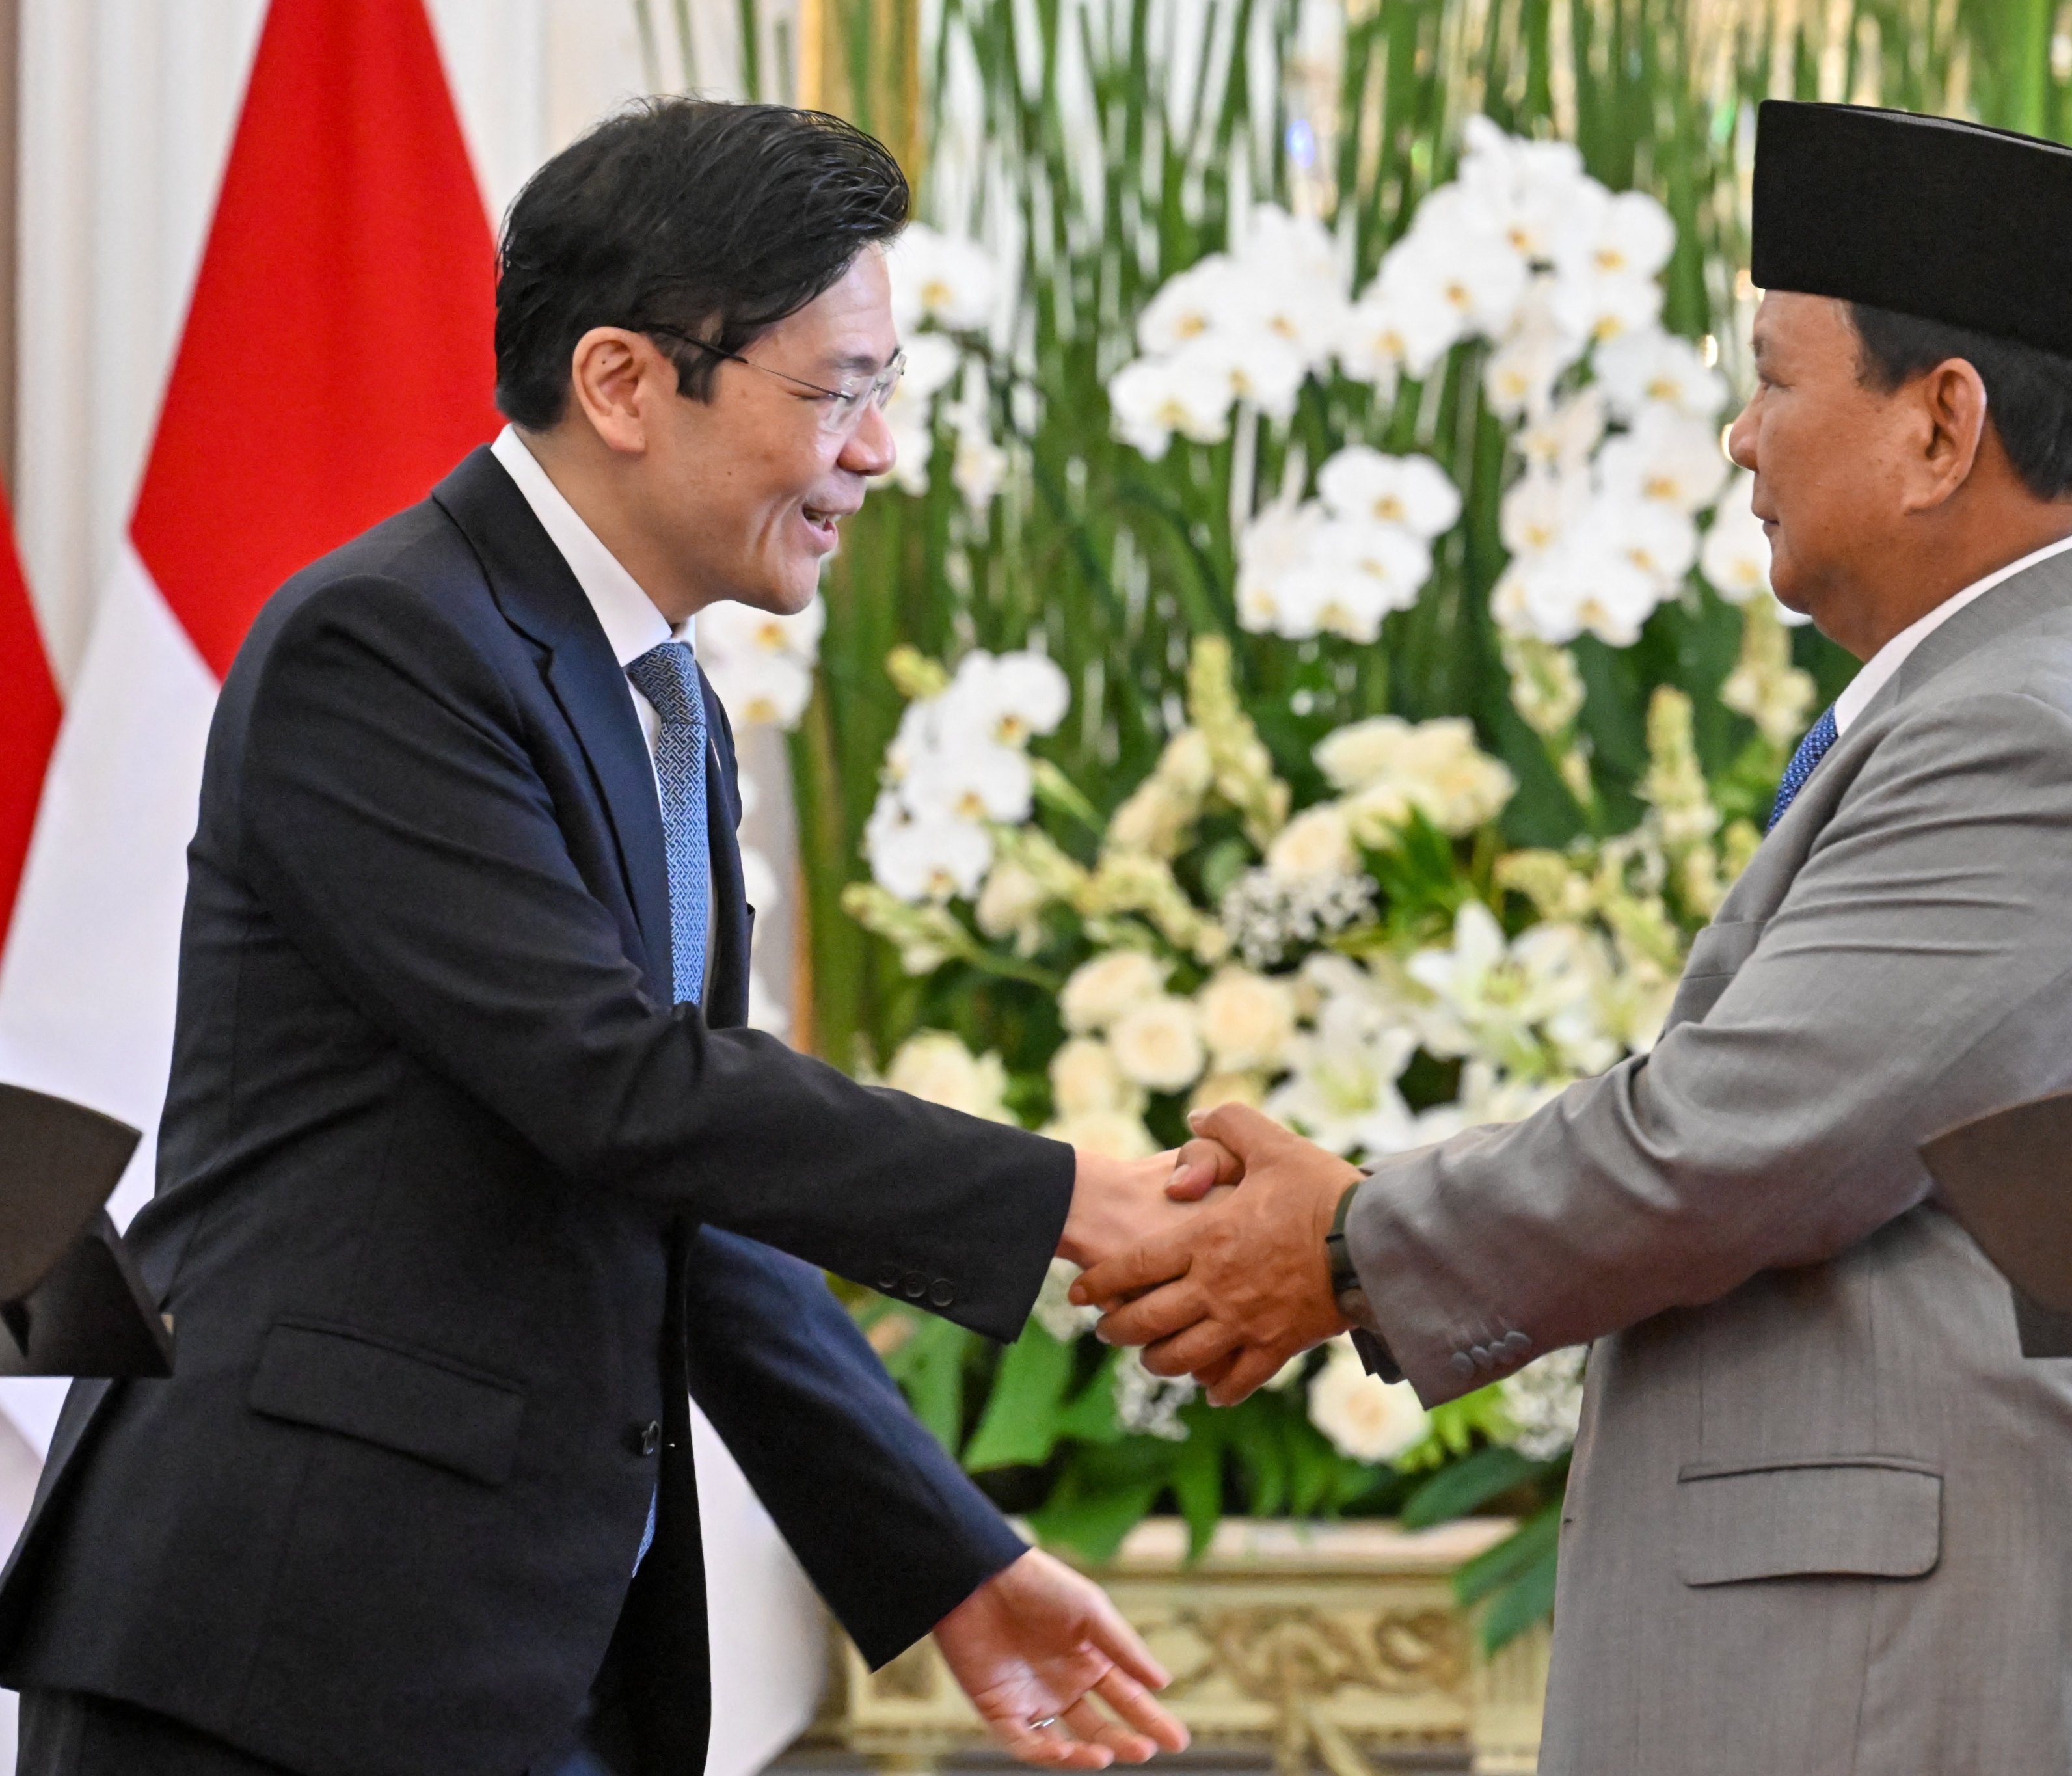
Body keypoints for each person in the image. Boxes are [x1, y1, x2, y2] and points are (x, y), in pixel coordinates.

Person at [1079, 101, 2072, 1774]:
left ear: (1941, 426)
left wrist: (1348, 1244)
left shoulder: (2026, 733)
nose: (1737, 437)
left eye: (1775, 381)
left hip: (1906, 1675)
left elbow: (1732, 1145)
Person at [0, 100, 1191, 1776]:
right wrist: (1067, 1198)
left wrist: (949, 1558)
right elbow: (621, 1089)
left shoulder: (655, 697)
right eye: (835, 393)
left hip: (518, 1658)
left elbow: (685, 1199)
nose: (875, 452)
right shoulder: (386, 645)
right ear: (625, 382)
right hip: (280, 1645)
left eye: (886, 390)